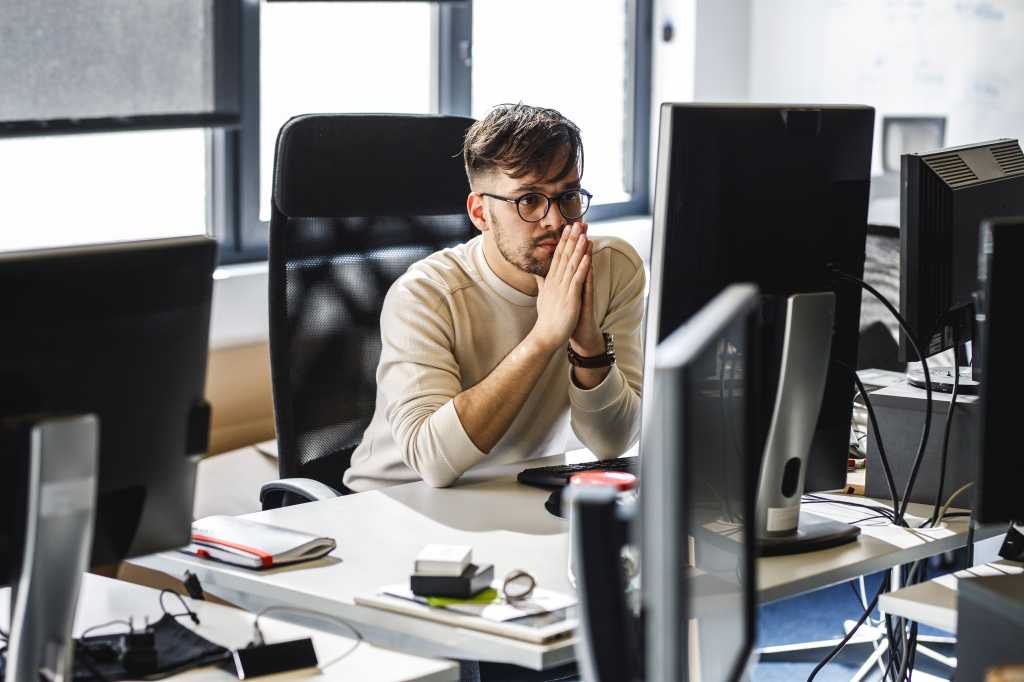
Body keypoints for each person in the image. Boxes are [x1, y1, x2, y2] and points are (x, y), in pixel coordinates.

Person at [343, 103, 645, 491]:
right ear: (480, 213)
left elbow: (612, 443)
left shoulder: (613, 269)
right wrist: (544, 337)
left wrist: (587, 344)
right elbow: (431, 462)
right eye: (529, 200)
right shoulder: (425, 294)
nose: (556, 220)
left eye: (568, 194)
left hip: (510, 492)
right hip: (391, 502)